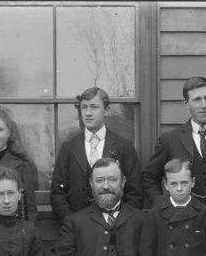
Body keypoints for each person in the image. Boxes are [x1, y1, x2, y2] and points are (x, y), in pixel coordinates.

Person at [142, 76, 206, 208]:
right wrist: (163, 205)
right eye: (197, 99)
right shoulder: (170, 139)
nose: (204, 105)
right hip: (182, 219)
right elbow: (149, 177)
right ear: (186, 103)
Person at [50, 87, 144, 224]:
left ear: (106, 110)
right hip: (78, 230)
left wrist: (120, 223)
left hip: (116, 228)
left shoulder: (124, 147)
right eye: (84, 108)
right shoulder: (68, 148)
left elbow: (134, 193)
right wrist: (72, 224)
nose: (88, 113)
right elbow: (57, 194)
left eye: (94, 107)